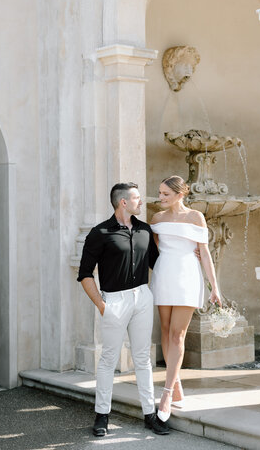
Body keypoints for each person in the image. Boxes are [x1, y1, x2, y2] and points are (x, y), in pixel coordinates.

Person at [77, 182, 170, 437]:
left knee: (142, 359)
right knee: (108, 359)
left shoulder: (144, 230)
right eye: (137, 198)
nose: (142, 202)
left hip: (141, 296)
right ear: (123, 203)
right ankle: (102, 416)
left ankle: (149, 415)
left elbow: (157, 262)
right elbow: (85, 274)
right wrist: (102, 305)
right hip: (113, 301)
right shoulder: (100, 232)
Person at [150, 175, 222, 422]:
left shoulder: (195, 217)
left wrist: (215, 287)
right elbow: (157, 249)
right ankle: (176, 381)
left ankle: (167, 393)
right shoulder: (156, 219)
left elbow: (204, 252)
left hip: (187, 277)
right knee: (166, 329)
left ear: (180, 194)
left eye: (165, 194)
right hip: (163, 275)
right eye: (159, 193)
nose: (160, 198)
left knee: (178, 335)